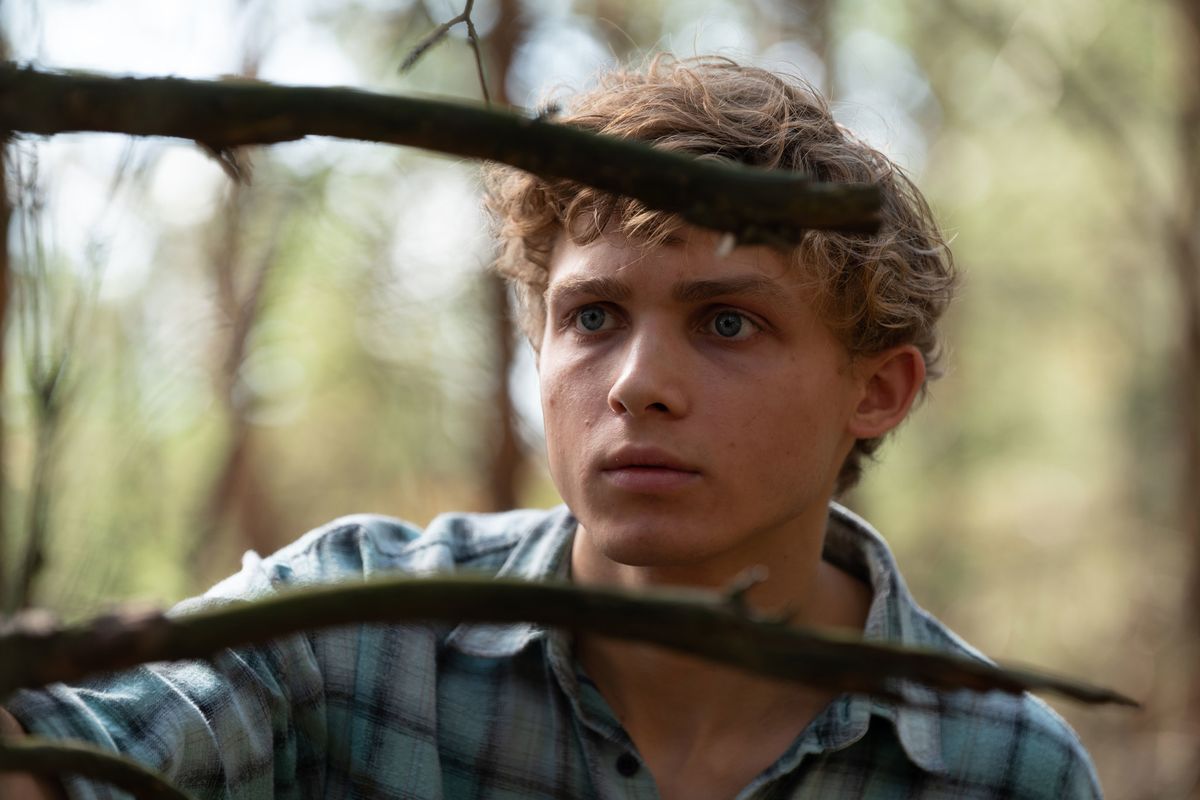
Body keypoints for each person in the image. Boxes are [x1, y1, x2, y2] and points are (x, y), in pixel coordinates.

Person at [0, 55, 1100, 799]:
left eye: (728, 321)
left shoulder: (999, 766)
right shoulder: (355, 636)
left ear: (879, 390)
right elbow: (74, 758)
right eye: (593, 317)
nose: (637, 385)